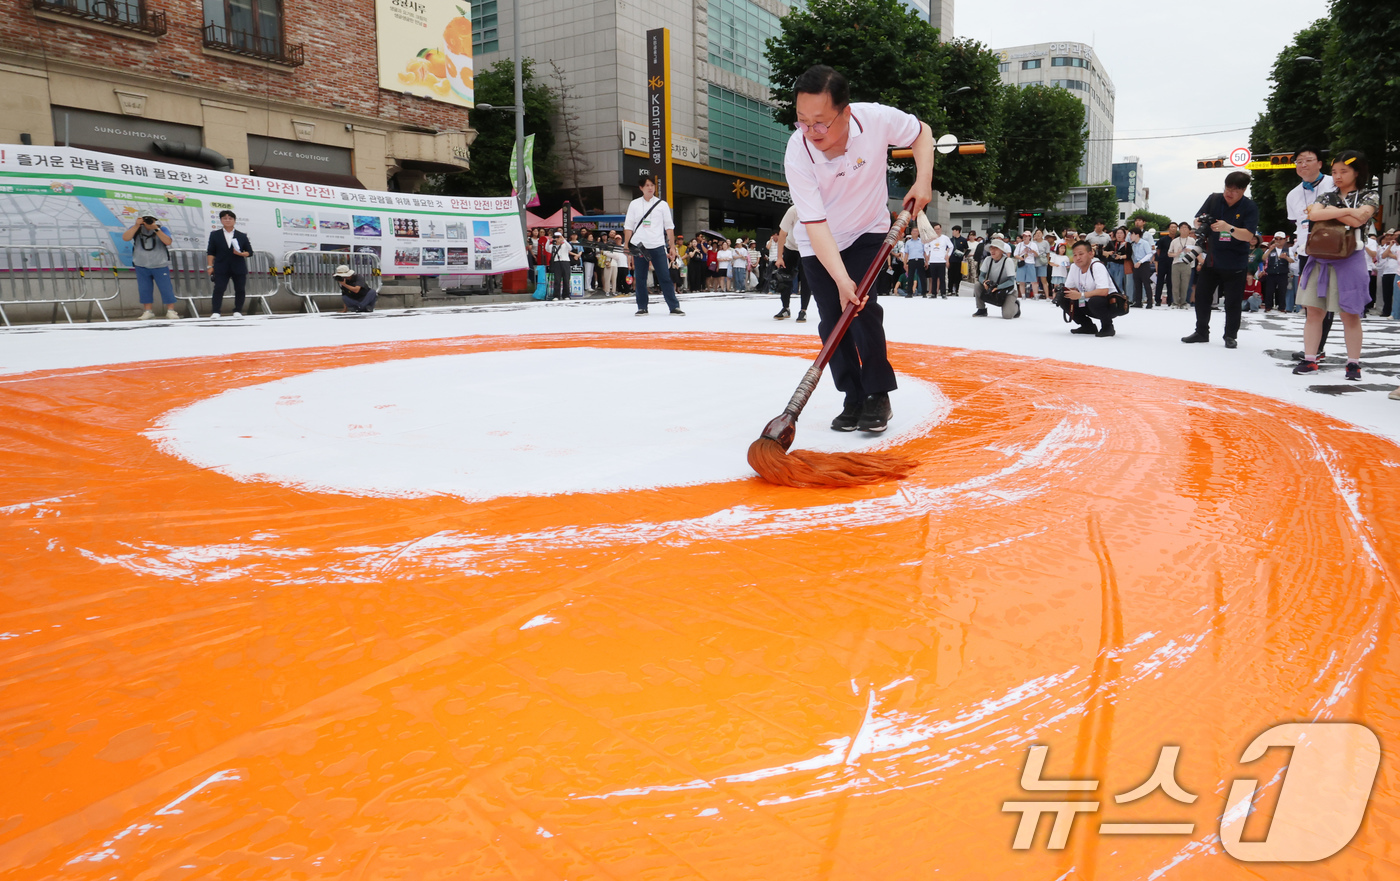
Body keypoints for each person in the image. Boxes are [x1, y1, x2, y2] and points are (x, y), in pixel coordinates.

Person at [784, 64, 934, 433]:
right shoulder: (797, 152)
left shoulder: (876, 119)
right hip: (819, 242)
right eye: (802, 121)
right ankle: (852, 395)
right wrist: (839, 278)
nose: (811, 131)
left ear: (846, 112)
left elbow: (923, 134)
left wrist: (923, 181)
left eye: (820, 122)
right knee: (832, 320)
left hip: (868, 230)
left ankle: (877, 393)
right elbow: (815, 225)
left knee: (864, 310)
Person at [1293, 150, 1377, 381]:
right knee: (1314, 311)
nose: (1337, 176)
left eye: (1344, 171)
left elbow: (1360, 219)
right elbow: (1315, 216)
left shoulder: (1369, 195)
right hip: (1319, 256)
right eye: (1334, 172)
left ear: (1357, 172)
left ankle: (1353, 364)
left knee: (1350, 314)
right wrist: (1350, 211)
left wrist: (1332, 212)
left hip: (1351, 258)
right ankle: (1310, 358)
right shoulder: (1327, 195)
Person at [1181, 171, 1259, 349]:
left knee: (1232, 301)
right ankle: (1201, 331)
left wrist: (1228, 228)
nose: (1229, 193)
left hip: (1236, 261)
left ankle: (1230, 335)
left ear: (1243, 190)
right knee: (1201, 296)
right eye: (1227, 188)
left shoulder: (1249, 207)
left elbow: (1248, 236)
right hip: (1213, 259)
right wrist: (1200, 222)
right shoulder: (1214, 199)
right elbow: (1197, 219)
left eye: (1234, 190)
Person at [1286, 146, 1337, 359]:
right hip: (1308, 249)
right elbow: (1296, 223)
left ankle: (1318, 348)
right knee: (1311, 301)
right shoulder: (1293, 194)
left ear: (1319, 163)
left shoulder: (1334, 183)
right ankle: (1315, 348)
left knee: (1330, 299)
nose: (1303, 164)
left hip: (1334, 248)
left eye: (1308, 160)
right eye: (1299, 161)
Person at [622, 176, 682, 315]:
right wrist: (626, 244)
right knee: (641, 278)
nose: (650, 188)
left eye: (652, 185)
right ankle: (642, 307)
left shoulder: (662, 204)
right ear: (641, 188)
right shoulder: (634, 204)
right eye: (647, 185)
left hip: (657, 245)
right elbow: (628, 226)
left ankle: (674, 306)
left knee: (664, 276)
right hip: (639, 245)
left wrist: (671, 246)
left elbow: (669, 227)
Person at [1058, 240, 1119, 337]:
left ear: (1091, 254)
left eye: (1081, 254)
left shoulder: (1097, 266)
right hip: (1086, 302)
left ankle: (1108, 327)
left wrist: (1080, 295)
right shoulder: (1074, 267)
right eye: (1075, 255)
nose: (1077, 258)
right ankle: (1087, 326)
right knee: (1063, 297)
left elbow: (1104, 291)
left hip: (1109, 306)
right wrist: (1061, 291)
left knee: (1095, 300)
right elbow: (1070, 288)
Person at [123, 214, 178, 320]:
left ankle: (171, 310)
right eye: (145, 219)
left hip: (159, 264)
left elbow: (168, 241)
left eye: (150, 219)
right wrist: (136, 226)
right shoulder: (136, 229)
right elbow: (125, 238)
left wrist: (156, 229)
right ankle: (148, 311)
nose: (148, 221)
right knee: (144, 289)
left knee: (166, 288)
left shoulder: (162, 229)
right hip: (141, 264)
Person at [205, 209, 252, 318]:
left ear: (234, 221)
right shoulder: (215, 235)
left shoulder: (241, 236)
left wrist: (241, 254)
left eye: (230, 218)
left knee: (240, 289)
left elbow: (250, 252)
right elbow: (211, 251)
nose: (227, 220)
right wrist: (210, 265)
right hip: (221, 266)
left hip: (238, 266)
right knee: (219, 288)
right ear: (221, 220)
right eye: (224, 218)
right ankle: (216, 311)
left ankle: (238, 310)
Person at [773, 205, 812, 321]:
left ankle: (803, 310)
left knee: (806, 279)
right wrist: (779, 257)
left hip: (808, 248)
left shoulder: (816, 209)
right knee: (784, 278)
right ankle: (785, 308)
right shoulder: (793, 210)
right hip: (791, 247)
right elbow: (782, 233)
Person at [974, 235, 1019, 318]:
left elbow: (1011, 281)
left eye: (996, 248)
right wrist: (984, 282)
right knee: (977, 285)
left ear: (1002, 251)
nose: (992, 251)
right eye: (991, 248)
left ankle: (1016, 307)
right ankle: (981, 309)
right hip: (993, 287)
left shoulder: (1008, 261)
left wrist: (999, 287)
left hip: (1008, 290)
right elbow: (981, 276)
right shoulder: (988, 259)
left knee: (1007, 315)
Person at [1260, 232, 1293, 313]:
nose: (1278, 241)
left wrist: (1286, 257)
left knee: (1282, 290)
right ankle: (1268, 306)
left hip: (1283, 272)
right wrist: (1270, 249)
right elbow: (1263, 258)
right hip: (1271, 272)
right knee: (1269, 290)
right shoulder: (1270, 249)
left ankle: (1282, 307)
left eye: (1280, 239)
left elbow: (1292, 260)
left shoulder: (1288, 250)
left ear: (1284, 240)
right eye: (1276, 239)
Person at [1169, 222, 1197, 308]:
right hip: (1176, 263)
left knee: (1186, 284)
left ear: (1189, 230)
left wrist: (1190, 251)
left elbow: (1197, 252)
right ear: (1179, 229)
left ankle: (1184, 302)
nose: (1184, 229)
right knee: (1175, 284)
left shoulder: (1192, 240)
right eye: (1182, 227)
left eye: (1186, 227)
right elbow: (1169, 253)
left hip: (1188, 264)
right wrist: (1176, 253)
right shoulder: (1175, 241)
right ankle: (1175, 302)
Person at [1153, 222, 1178, 306]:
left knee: (1170, 282)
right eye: (1172, 227)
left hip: (1173, 263)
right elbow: (1158, 251)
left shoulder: (1177, 239)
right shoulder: (1163, 239)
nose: (1173, 229)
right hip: (1163, 262)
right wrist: (1160, 259)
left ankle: (1170, 300)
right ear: (1168, 229)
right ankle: (1157, 300)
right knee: (1160, 281)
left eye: (1175, 227)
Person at [1129, 228, 1154, 308]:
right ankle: (1138, 302)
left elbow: (1149, 254)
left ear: (1137, 234)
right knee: (1137, 283)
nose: (1130, 236)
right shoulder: (1133, 244)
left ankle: (1149, 302)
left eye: (1131, 234)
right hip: (1136, 264)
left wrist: (1141, 262)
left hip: (1144, 264)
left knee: (1146, 283)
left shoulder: (1144, 243)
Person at [926, 221, 951, 298]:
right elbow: (926, 246)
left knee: (942, 278)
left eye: (938, 229)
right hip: (933, 260)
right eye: (935, 229)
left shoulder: (945, 238)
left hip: (941, 261)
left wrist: (947, 255)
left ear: (941, 229)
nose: (937, 230)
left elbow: (951, 246)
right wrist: (928, 255)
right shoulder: (930, 238)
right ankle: (934, 293)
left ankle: (943, 293)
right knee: (933, 278)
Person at [546, 231, 574, 300]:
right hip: (556, 263)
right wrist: (549, 240)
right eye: (556, 237)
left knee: (566, 279)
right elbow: (547, 249)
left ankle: (566, 295)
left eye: (558, 237)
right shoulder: (552, 246)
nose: (557, 239)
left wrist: (564, 240)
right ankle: (556, 295)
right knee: (557, 280)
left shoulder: (565, 245)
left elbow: (570, 248)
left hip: (565, 262)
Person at [904, 227, 926, 297]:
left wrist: (926, 261)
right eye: (913, 231)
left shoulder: (922, 241)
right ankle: (909, 293)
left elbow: (925, 252)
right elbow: (906, 254)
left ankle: (924, 293)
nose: (915, 232)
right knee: (910, 277)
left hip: (920, 260)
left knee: (922, 277)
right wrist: (905, 263)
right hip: (911, 260)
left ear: (918, 233)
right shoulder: (908, 242)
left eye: (916, 231)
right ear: (911, 233)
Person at [948, 225, 969, 295]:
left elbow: (966, 249)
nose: (952, 232)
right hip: (951, 260)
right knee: (950, 275)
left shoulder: (963, 240)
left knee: (958, 276)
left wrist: (964, 255)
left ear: (957, 231)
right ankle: (950, 290)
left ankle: (957, 290)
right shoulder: (950, 240)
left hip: (959, 261)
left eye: (953, 231)